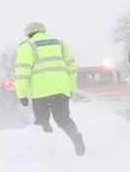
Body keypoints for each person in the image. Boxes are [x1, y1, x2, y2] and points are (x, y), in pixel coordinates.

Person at [13, 21, 86, 156]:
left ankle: (48, 151)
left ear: (28, 34)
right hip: (61, 90)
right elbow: (71, 68)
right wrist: (71, 89)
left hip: (40, 92)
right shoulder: (60, 44)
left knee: (42, 121)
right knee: (64, 119)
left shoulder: (27, 46)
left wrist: (21, 94)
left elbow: (22, 72)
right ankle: (76, 137)